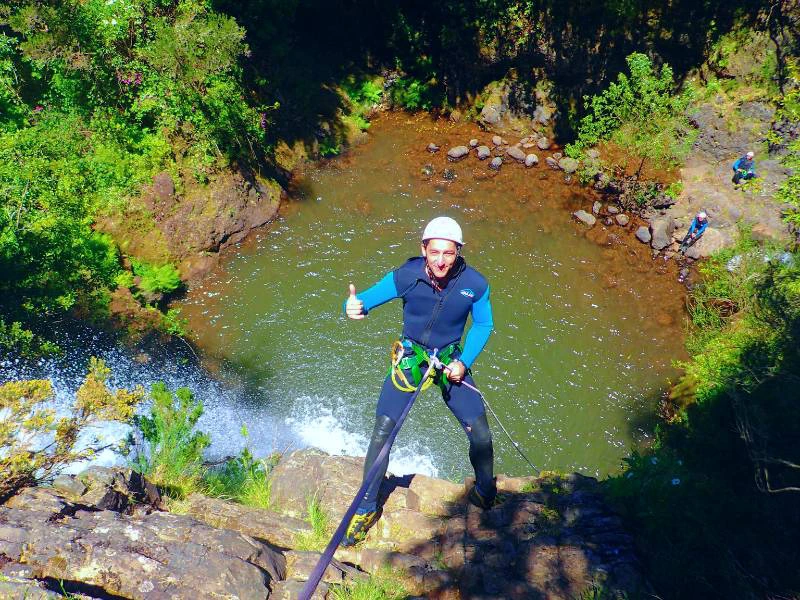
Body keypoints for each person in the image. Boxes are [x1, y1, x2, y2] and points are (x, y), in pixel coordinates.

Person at [341, 216, 497, 546]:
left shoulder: (475, 284)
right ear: (423, 248)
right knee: (383, 430)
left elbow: (483, 325)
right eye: (435, 251)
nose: (441, 261)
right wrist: (354, 307)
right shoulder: (407, 276)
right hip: (412, 357)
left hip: (451, 360)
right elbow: (365, 300)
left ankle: (485, 491)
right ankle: (366, 508)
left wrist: (463, 363)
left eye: (449, 253)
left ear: (459, 253)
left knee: (480, 434)